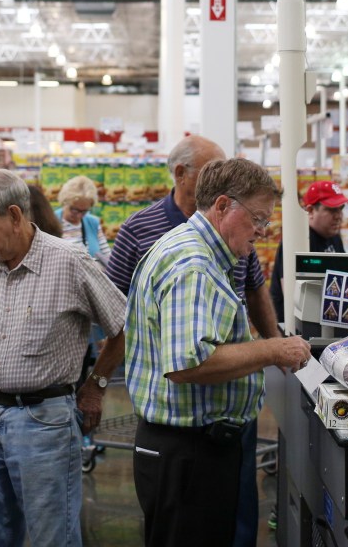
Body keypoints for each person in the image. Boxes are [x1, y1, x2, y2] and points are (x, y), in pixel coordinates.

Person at [125, 158, 311, 547]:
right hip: (188, 454)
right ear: (223, 206)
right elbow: (189, 363)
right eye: (258, 218)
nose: (262, 231)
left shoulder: (202, 254)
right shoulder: (194, 266)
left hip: (192, 450)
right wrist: (273, 348)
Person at [0, 169, 127, 547]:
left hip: (44, 423)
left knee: (53, 536)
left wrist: (96, 387)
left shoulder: (69, 261)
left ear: (16, 216)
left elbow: (121, 325)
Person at [268, 179, 348, 325]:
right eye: (331, 210)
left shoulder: (334, 236)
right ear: (311, 211)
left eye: (341, 208)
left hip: (324, 323)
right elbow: (292, 293)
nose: (338, 216)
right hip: (293, 330)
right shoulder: (298, 240)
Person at [54, 175, 109, 264]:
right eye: (74, 210)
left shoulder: (92, 222)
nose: (79, 216)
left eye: (84, 211)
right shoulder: (52, 222)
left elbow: (107, 256)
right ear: (64, 202)